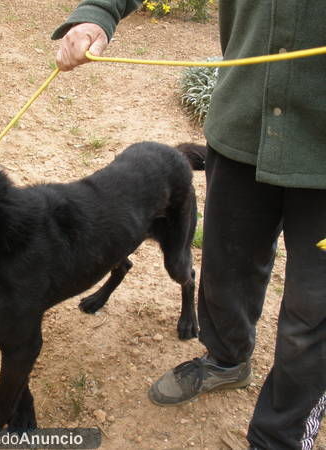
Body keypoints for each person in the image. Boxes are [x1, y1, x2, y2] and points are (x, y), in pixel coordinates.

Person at [52, 1, 326, 448]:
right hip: (241, 133)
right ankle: (226, 361)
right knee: (226, 271)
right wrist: (98, 13)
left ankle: (280, 437)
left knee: (315, 312)